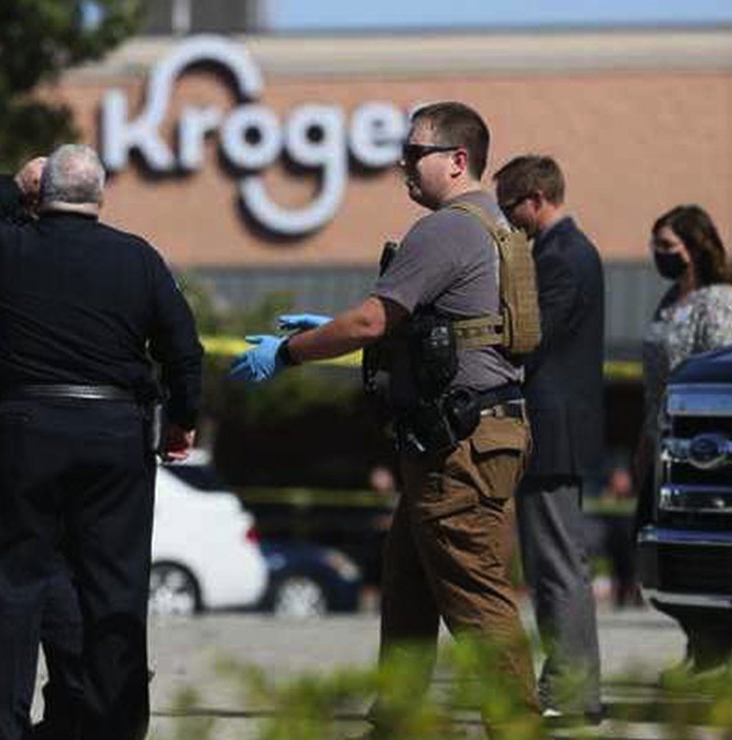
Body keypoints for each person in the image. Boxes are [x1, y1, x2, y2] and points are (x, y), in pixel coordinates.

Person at [231, 102, 540, 733]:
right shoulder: (492, 224)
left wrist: (289, 353)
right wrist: (339, 329)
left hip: (458, 449)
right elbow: (443, 329)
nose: (403, 164)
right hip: (464, 442)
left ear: (458, 160)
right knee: (407, 589)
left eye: (415, 153)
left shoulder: (447, 228)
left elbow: (373, 319)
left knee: (478, 603)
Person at [0, 144, 203, 740]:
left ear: (43, 193)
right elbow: (184, 349)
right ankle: (113, 724)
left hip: (22, 431)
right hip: (115, 434)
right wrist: (182, 418)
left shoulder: (3, 248)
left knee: (10, 585)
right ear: (100, 196)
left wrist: (9, 190)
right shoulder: (138, 258)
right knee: (115, 588)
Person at [492, 154, 604, 722]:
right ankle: (570, 687)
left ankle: (571, 692)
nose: (508, 221)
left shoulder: (561, 256)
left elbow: (533, 340)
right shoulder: (565, 252)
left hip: (554, 432)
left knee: (557, 568)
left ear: (535, 199)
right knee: (561, 566)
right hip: (560, 430)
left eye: (510, 208)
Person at [635, 204, 732, 668]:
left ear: (694, 246)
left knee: (702, 551)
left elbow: (730, 373)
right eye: (656, 245)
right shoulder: (670, 300)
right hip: (663, 440)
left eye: (666, 245)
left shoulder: (721, 301)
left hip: (704, 446)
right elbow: (654, 385)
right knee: (661, 548)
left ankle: (717, 650)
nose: (658, 253)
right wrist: (645, 442)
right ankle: (698, 644)